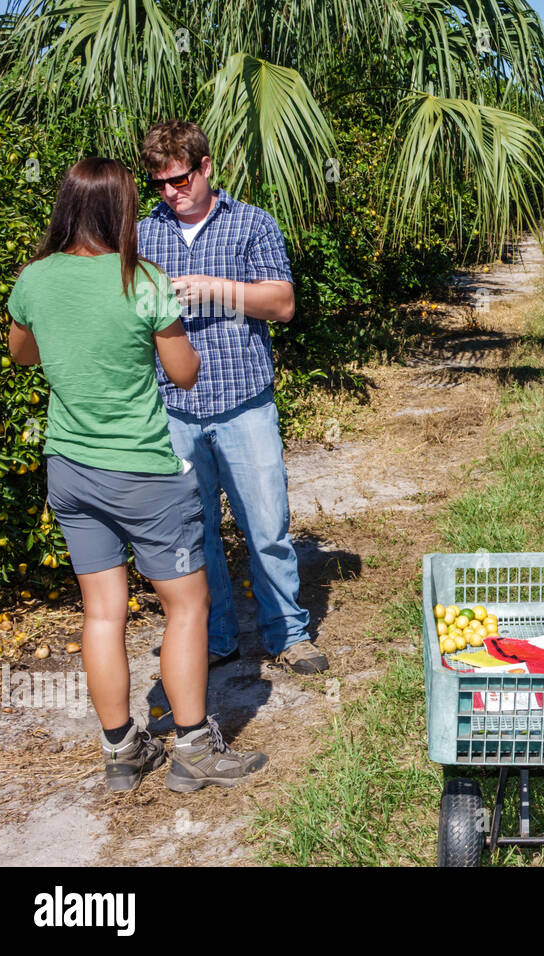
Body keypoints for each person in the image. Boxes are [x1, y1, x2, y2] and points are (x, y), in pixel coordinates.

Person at [7, 157, 267, 792]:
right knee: (186, 607)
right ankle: (195, 749)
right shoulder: (143, 280)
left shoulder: (34, 280)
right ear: (116, 210)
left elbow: (22, 354)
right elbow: (185, 374)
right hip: (145, 471)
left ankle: (122, 749)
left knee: (103, 613)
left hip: (69, 467)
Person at [136, 120, 328, 674]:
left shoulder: (251, 224)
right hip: (171, 408)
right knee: (193, 536)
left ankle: (287, 634)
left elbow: (284, 303)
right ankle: (215, 638)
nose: (172, 191)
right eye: (160, 183)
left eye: (180, 179)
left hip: (244, 403)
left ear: (206, 167)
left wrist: (218, 290)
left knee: (266, 527)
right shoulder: (144, 234)